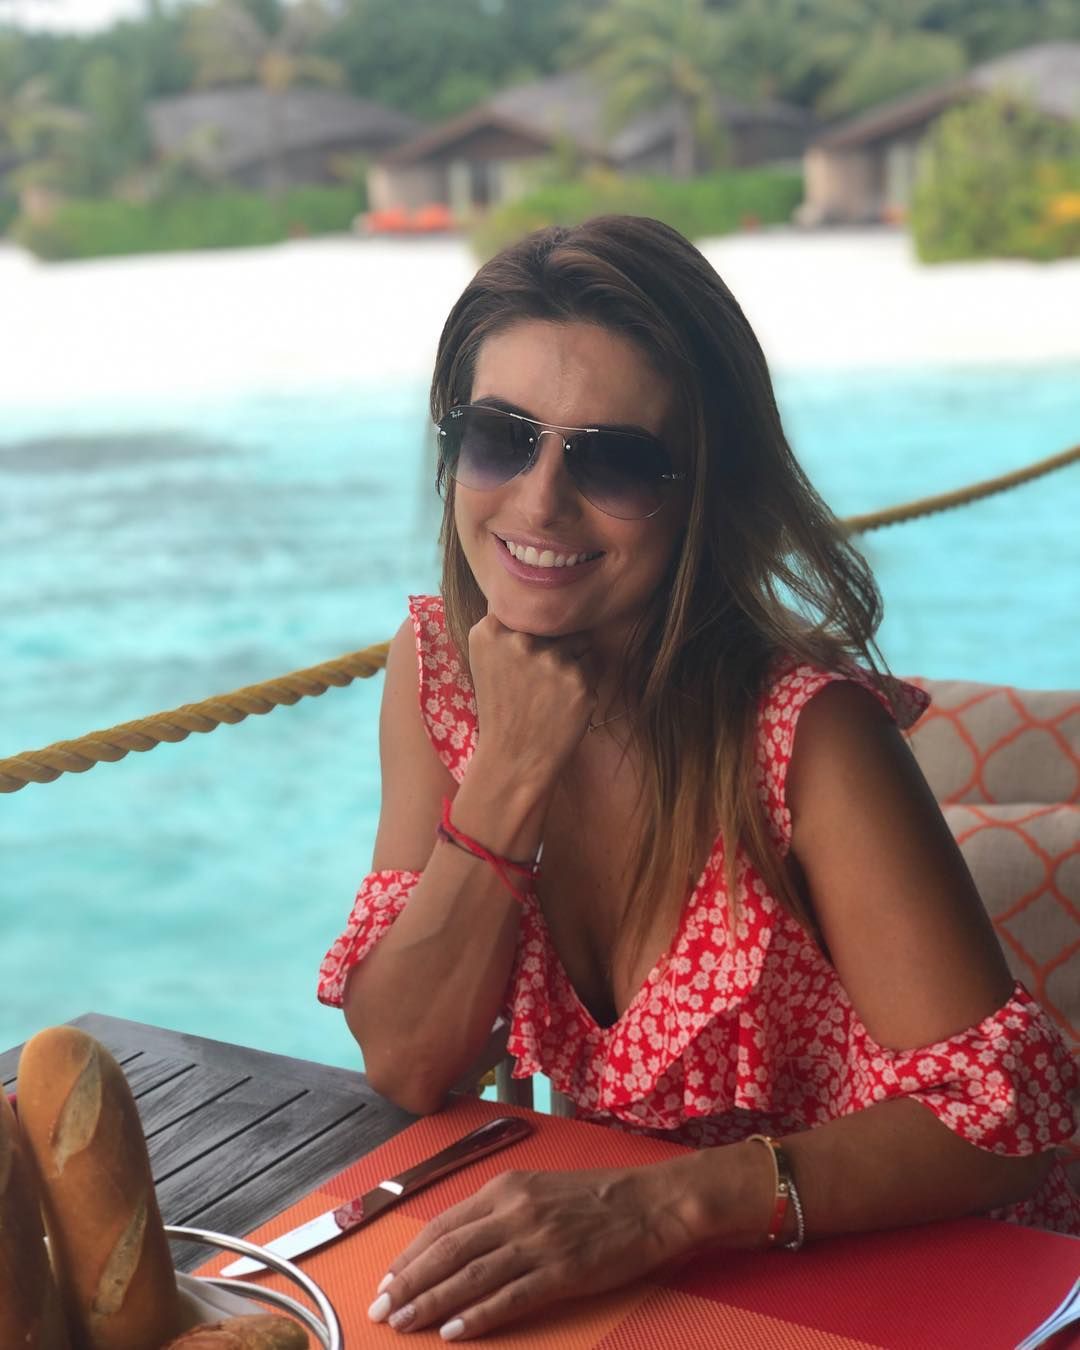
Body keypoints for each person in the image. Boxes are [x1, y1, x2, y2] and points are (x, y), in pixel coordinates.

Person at [317, 215, 1079, 1341]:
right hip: (663, 1287)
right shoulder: (437, 672)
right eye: (500, 438)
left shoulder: (804, 736)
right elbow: (408, 1060)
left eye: (616, 460)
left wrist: (663, 1207)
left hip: (918, 1283)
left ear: (706, 494)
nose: (539, 500)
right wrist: (511, 773)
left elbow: (1004, 1127)